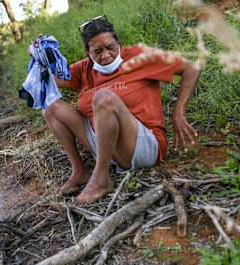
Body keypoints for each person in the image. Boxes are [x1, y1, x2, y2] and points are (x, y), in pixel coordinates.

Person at [33, 15, 200, 204]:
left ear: (118, 42)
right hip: (105, 147)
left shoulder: (139, 56)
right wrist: (41, 57)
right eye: (97, 51)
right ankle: (80, 171)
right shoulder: (85, 69)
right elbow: (48, 81)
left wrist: (178, 112)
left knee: (104, 98)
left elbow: (191, 68)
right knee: (51, 107)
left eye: (110, 47)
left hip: (143, 145)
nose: (105, 55)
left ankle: (101, 179)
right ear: (87, 52)